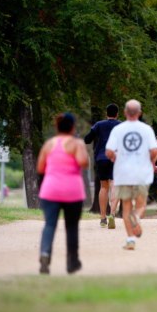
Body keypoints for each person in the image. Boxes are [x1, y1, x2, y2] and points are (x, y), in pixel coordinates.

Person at [37, 113, 89, 275]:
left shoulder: (48, 144)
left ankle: (45, 253)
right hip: (72, 191)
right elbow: (83, 162)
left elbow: (40, 168)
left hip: (50, 189)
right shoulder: (76, 143)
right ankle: (72, 262)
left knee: (50, 224)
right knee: (71, 227)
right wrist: (82, 150)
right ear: (73, 127)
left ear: (57, 127)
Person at [105, 99, 157, 250]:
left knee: (126, 207)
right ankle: (137, 217)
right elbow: (154, 151)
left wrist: (115, 158)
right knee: (140, 205)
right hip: (141, 173)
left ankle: (130, 240)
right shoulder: (147, 129)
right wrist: (150, 160)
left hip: (123, 174)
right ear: (140, 113)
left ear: (125, 112)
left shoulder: (118, 130)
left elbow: (108, 151)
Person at [84, 103, 121, 229]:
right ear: (117, 114)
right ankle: (112, 214)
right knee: (114, 184)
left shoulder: (99, 125)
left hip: (101, 157)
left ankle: (103, 218)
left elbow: (87, 139)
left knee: (104, 186)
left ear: (107, 113)